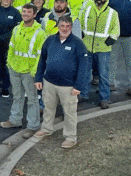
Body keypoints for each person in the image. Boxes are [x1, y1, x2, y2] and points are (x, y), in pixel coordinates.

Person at [34, 15, 91, 149]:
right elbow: (42, 60)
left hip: (68, 86)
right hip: (49, 83)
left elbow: (84, 66)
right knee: (48, 108)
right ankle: (47, 128)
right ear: (58, 27)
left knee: (70, 113)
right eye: (62, 26)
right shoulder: (50, 40)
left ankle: (71, 137)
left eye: (68, 26)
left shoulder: (78, 44)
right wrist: (38, 78)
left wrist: (78, 86)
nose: (65, 29)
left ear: (71, 27)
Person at [1, 3, 47, 137]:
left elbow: (40, 55)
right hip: (14, 68)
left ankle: (33, 126)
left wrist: (34, 72)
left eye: (29, 12)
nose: (25, 14)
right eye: (24, 11)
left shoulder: (40, 33)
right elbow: (11, 48)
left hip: (29, 71)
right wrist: (9, 63)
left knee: (32, 99)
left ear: (34, 14)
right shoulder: (16, 29)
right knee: (17, 96)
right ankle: (15, 120)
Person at [81, 0, 119, 109]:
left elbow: (116, 29)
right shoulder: (86, 10)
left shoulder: (112, 13)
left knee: (103, 75)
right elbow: (80, 23)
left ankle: (104, 98)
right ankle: (83, 94)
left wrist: (109, 41)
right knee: (85, 73)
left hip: (103, 49)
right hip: (87, 47)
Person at [0, 0, 21, 98]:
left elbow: (17, 30)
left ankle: (5, 88)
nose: (6, 0)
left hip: (8, 46)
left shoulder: (15, 13)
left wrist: (6, 38)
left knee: (6, 68)